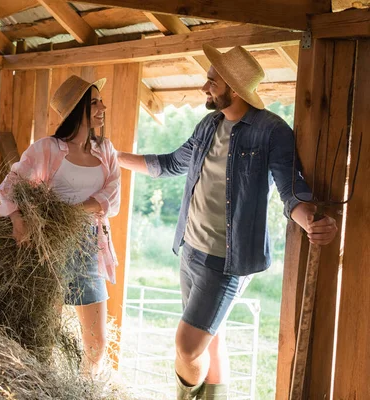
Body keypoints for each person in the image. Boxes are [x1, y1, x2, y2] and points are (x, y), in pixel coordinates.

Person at [117, 45, 338, 399]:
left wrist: (310, 220)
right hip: (189, 250)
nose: (205, 88)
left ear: (233, 88)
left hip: (227, 262)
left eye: (211, 81)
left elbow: (290, 191)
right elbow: (170, 164)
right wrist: (114, 158)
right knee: (210, 339)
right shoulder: (209, 125)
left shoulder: (271, 131)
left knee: (188, 347)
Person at [0, 74, 120, 378]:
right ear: (79, 109)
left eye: (100, 101)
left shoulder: (106, 150)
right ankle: (42, 388)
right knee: (45, 335)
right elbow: (10, 186)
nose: (103, 106)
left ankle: (87, 390)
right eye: (94, 102)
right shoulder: (45, 149)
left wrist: (71, 213)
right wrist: (18, 220)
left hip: (89, 245)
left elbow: (111, 198)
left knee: (97, 343)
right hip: (50, 247)